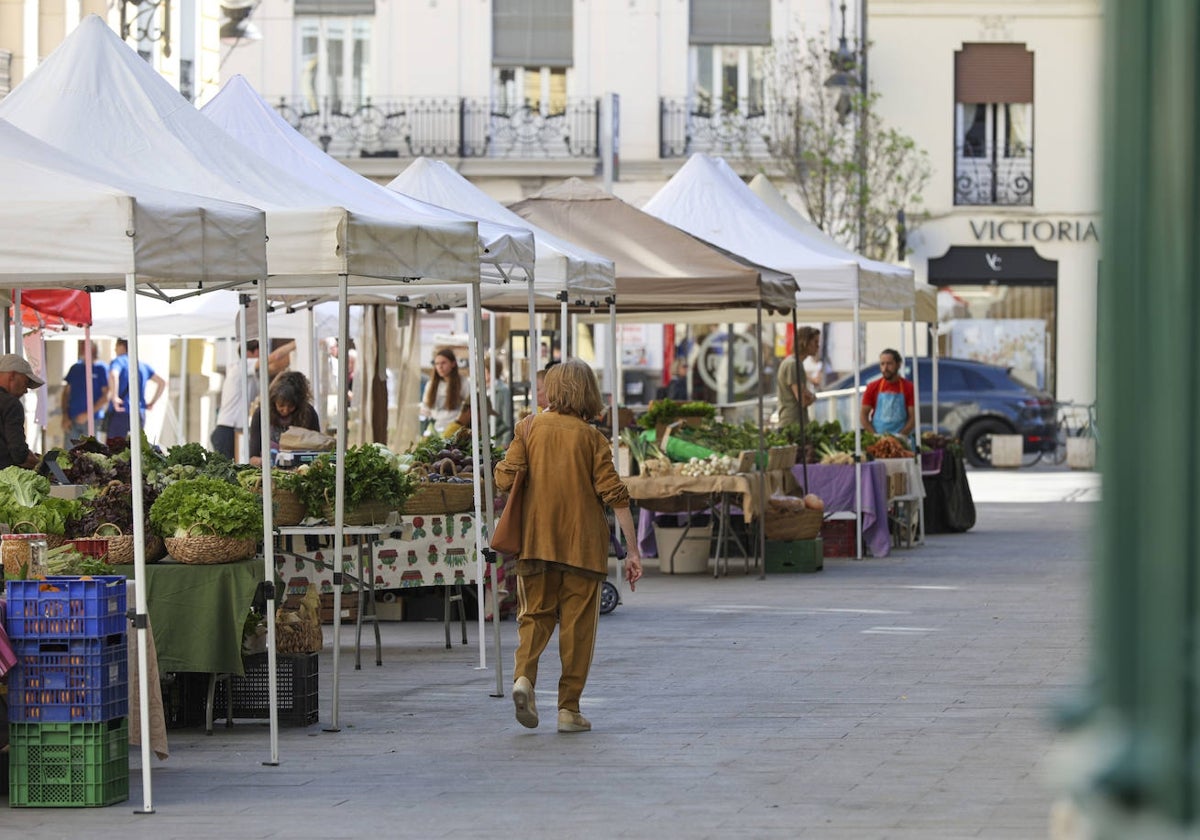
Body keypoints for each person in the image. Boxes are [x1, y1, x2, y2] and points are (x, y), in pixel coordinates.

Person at [494, 358, 643, 734]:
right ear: (588, 393)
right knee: (577, 628)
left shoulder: (527, 427)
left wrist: (510, 465)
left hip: (535, 542)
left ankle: (524, 679)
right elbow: (615, 495)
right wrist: (633, 550)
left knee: (534, 616)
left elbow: (504, 479)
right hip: (583, 547)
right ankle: (568, 709)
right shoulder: (593, 438)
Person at [211, 339, 296, 460]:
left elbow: (276, 366)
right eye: (261, 352)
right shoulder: (241, 366)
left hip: (232, 431)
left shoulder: (250, 373)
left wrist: (296, 353)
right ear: (254, 352)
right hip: (227, 430)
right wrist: (295, 344)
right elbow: (274, 357)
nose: (262, 356)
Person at [248, 370, 322, 466]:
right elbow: (252, 458)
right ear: (273, 401)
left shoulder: (309, 413)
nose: (285, 410)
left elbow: (318, 451)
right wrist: (267, 461)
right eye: (281, 405)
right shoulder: (261, 414)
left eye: (291, 406)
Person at [106, 338, 166, 442]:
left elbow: (113, 374)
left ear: (121, 346)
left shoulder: (119, 361)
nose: (115, 350)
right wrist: (152, 402)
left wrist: (115, 396)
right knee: (135, 449)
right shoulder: (142, 365)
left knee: (115, 449)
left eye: (116, 347)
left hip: (122, 411)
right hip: (139, 413)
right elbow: (162, 382)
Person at [61, 340, 109, 445]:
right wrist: (65, 415)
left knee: (91, 454)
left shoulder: (101, 368)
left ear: (93, 349)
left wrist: (88, 414)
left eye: (85, 346)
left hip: (93, 419)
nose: (82, 349)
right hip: (72, 419)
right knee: (69, 454)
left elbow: (106, 396)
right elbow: (66, 393)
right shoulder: (75, 368)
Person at [0, 355, 43, 469]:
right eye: (26, 382)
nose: (26, 391)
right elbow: (18, 453)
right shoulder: (11, 404)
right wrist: (42, 465)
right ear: (12, 376)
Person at [861, 348, 915, 437]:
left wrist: (900, 436)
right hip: (877, 439)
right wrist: (874, 435)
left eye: (889, 364)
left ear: (899, 365)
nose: (885, 368)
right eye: (882, 364)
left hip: (901, 440)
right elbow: (863, 415)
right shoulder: (872, 387)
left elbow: (913, 418)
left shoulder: (909, 387)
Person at [776, 326, 821, 427]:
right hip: (792, 425)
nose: (818, 346)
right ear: (805, 343)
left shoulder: (794, 363)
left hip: (795, 423)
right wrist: (812, 397)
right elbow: (803, 401)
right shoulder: (793, 365)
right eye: (815, 342)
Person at [419, 348, 470, 435]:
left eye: (443, 363)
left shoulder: (464, 383)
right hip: (434, 430)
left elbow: (468, 407)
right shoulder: (431, 384)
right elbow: (425, 407)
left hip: (455, 430)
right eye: (437, 364)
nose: (440, 367)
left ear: (453, 364)